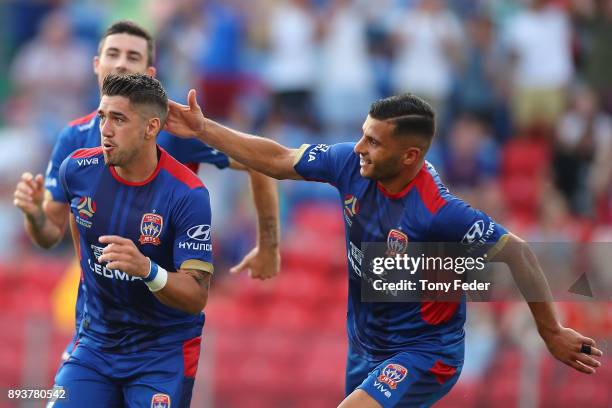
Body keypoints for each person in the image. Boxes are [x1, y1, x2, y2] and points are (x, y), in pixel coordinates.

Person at [163, 90, 603, 407]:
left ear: (410, 156)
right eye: (363, 134)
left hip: (425, 353)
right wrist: (204, 129)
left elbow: (519, 253)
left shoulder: (438, 212)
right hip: (365, 346)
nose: (359, 147)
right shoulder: (350, 165)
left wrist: (550, 332)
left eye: (373, 141)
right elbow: (278, 159)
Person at [18, 20, 279, 361]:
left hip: (161, 331)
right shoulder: (73, 137)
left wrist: (269, 244)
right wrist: (35, 215)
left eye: (133, 56)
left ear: (150, 74)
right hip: (95, 329)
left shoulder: (170, 131)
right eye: (113, 54)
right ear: (97, 64)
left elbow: (256, 160)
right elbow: (49, 234)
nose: (122, 63)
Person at [15, 73, 212, 406]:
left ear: (151, 128)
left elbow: (196, 296)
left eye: (118, 119)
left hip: (161, 352)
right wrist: (35, 214)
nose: (105, 129)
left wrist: (148, 270)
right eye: (102, 116)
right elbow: (58, 234)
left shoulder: (188, 194)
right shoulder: (76, 169)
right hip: (97, 344)